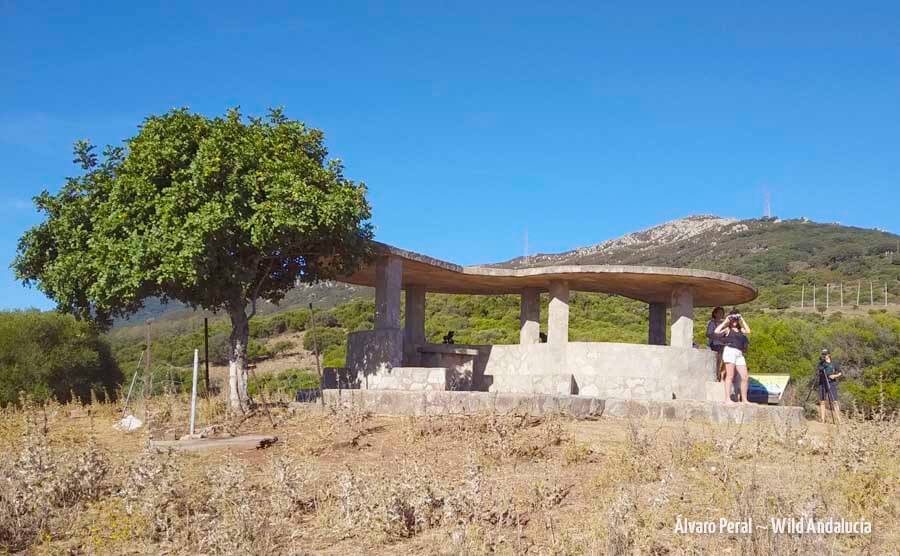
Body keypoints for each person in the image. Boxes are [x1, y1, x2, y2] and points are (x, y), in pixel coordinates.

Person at [714, 309, 751, 403]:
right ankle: (727, 399)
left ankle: (745, 399)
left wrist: (741, 319)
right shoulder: (728, 329)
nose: (734, 321)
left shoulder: (740, 330)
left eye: (736, 319)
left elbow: (748, 331)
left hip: (739, 353)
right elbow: (716, 331)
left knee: (745, 377)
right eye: (733, 319)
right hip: (730, 351)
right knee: (730, 375)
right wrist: (726, 321)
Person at [816, 349, 843, 424]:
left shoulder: (834, 363)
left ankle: (839, 419)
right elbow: (818, 371)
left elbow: (840, 372)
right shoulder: (821, 363)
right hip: (822, 383)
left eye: (825, 354)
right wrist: (820, 369)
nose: (824, 356)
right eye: (823, 354)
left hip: (831, 383)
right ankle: (822, 419)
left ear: (829, 355)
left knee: (835, 401)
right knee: (822, 401)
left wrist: (834, 376)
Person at [706, 307, 726, 381]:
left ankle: (721, 375)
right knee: (718, 359)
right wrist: (717, 337)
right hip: (714, 344)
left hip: (723, 344)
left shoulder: (724, 324)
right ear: (715, 314)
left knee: (725, 359)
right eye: (719, 312)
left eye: (722, 313)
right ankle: (717, 376)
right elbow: (708, 334)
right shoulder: (712, 323)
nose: (721, 314)